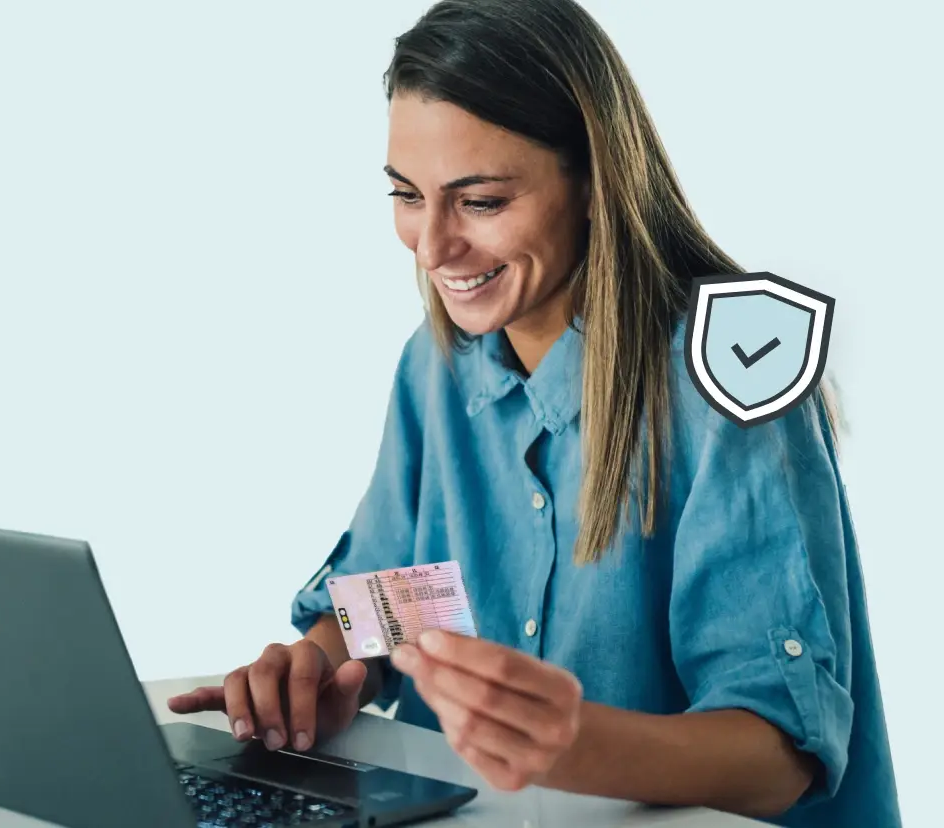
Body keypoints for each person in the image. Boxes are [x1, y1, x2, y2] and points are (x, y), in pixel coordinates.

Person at [167, 0, 901, 825]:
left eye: (480, 201)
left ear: (592, 182)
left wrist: (571, 745)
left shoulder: (731, 375)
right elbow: (410, 597)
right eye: (407, 194)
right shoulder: (436, 363)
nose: (431, 246)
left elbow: (781, 755)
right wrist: (326, 668)